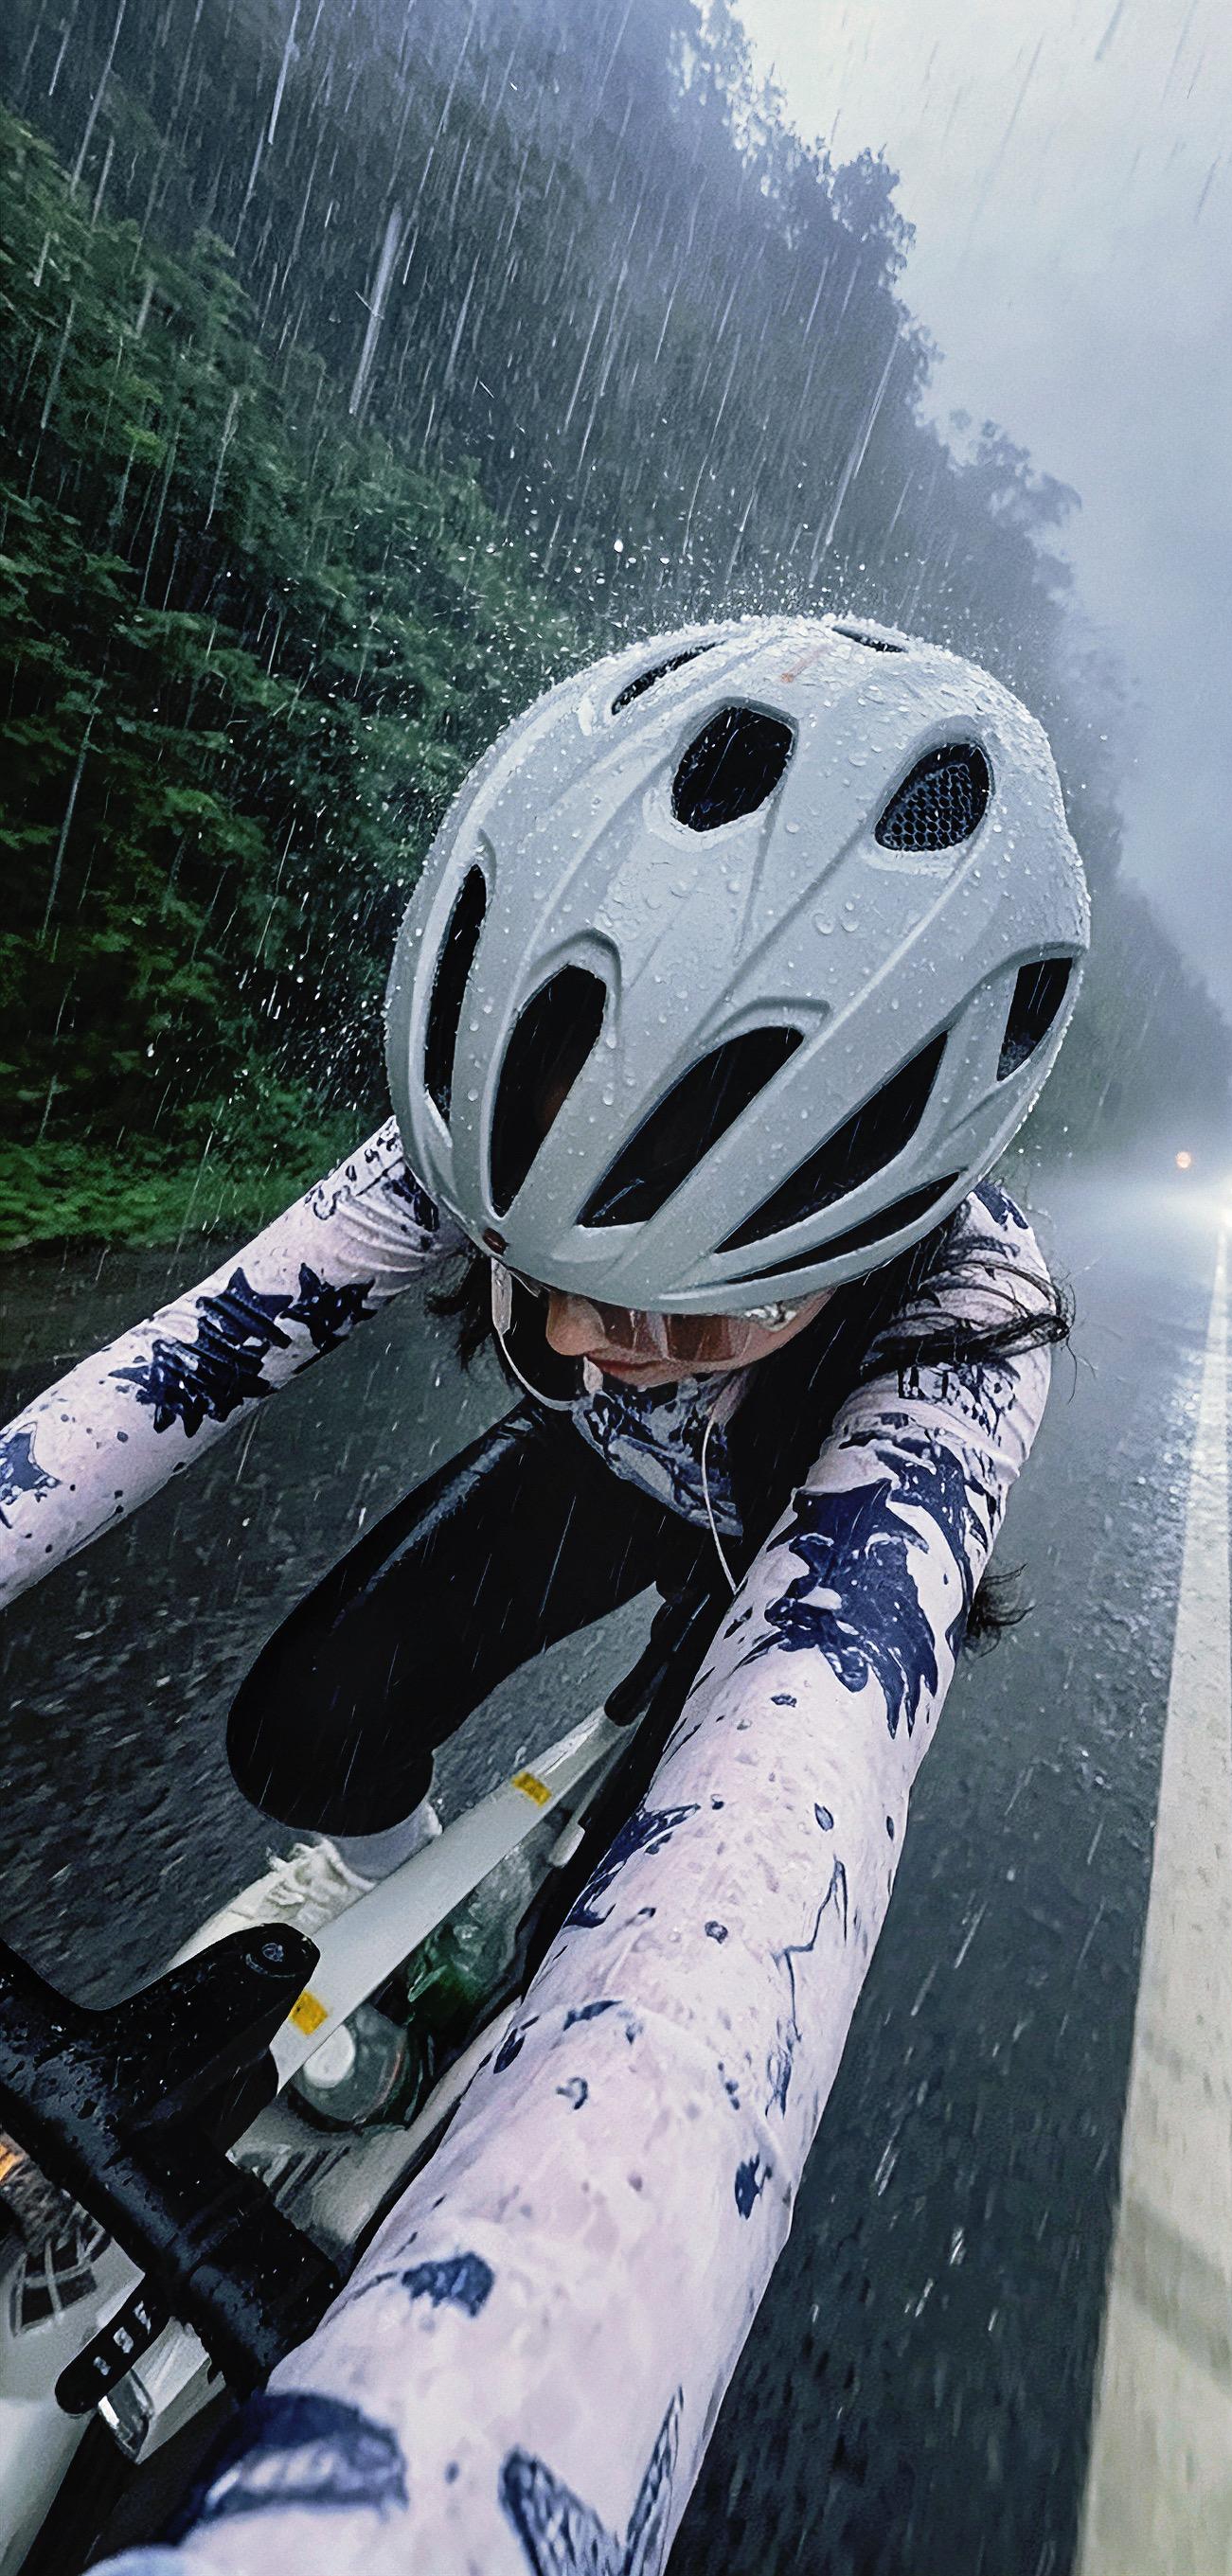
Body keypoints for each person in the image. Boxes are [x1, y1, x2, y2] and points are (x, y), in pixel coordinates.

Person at [2, 613, 1088, 2573]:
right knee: (306, 1729)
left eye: (696, 1288)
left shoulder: (960, 1330)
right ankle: (414, 1914)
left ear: (895, 1194)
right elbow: (122, 1407)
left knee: (635, 1902)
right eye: (533, 1245)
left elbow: (749, 1933)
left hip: (786, 1547)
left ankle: (526, 1939)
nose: (581, 1333)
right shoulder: (528, 1105)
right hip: (610, 1495)